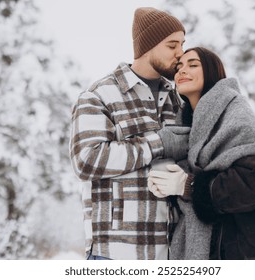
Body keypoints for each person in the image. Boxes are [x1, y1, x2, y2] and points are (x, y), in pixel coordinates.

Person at [148, 47, 255, 260]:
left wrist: (188, 185)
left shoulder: (234, 109)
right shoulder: (189, 126)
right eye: (179, 67)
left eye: (193, 65)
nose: (182, 71)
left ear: (211, 71)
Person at [69, 7, 190, 260]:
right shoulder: (100, 95)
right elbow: (86, 160)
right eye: (172, 45)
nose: (180, 53)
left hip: (173, 254)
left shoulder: (178, 101)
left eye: (182, 44)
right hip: (116, 254)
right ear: (148, 46)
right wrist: (159, 143)